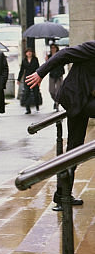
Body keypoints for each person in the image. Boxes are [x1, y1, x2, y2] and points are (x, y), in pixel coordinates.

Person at [25, 41, 95, 211]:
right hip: (75, 98)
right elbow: (63, 54)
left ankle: (62, 195)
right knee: (73, 148)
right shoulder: (92, 48)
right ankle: (62, 195)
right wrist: (40, 73)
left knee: (74, 149)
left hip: (85, 101)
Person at [17, 48, 40, 114]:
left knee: (36, 93)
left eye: (30, 52)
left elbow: (38, 68)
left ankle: (37, 106)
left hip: (34, 78)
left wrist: (39, 78)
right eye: (28, 52)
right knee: (27, 93)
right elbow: (21, 70)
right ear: (26, 53)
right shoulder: (24, 60)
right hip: (27, 78)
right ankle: (28, 109)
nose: (29, 53)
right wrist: (19, 79)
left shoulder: (35, 59)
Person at [46, 44, 64, 111]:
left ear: (56, 48)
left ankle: (56, 103)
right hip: (52, 74)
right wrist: (47, 60)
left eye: (54, 47)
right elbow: (47, 66)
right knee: (51, 91)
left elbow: (64, 63)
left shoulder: (60, 55)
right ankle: (56, 101)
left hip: (59, 74)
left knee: (58, 91)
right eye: (52, 48)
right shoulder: (49, 56)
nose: (53, 49)